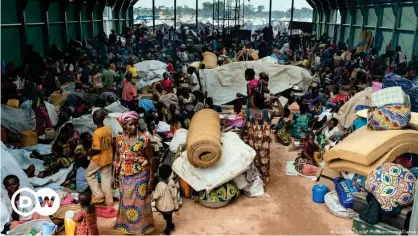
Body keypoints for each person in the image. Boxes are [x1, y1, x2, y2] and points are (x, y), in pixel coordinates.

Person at [114, 112, 156, 235]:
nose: (134, 127)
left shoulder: (144, 139)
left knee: (141, 202)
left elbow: (151, 160)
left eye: (136, 124)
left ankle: (142, 228)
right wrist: (114, 175)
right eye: (131, 124)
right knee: (125, 202)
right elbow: (117, 156)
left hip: (141, 175)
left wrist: (151, 179)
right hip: (124, 176)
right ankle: (127, 227)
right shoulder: (119, 139)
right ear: (124, 125)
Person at [242, 75, 272, 184]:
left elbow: (244, 126)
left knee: (254, 160)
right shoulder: (266, 113)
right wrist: (276, 101)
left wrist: (241, 136)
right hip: (263, 144)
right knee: (263, 161)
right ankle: (264, 179)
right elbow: (282, 113)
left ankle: (255, 179)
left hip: (253, 142)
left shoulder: (249, 112)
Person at [86, 109, 113, 206]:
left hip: (99, 159)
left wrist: (89, 152)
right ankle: (109, 202)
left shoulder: (97, 133)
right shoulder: (107, 129)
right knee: (106, 180)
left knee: (89, 174)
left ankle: (98, 195)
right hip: (108, 157)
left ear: (94, 119)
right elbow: (111, 143)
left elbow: (97, 149)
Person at [152, 165, 179, 235]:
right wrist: (176, 206)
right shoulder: (172, 183)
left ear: (160, 174)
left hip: (162, 206)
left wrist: (151, 198)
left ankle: (168, 230)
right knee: (168, 217)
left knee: (166, 217)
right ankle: (171, 225)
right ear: (170, 174)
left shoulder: (159, 185)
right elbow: (174, 196)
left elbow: (156, 196)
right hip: (170, 206)